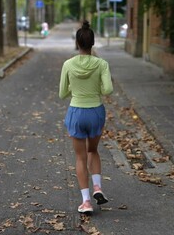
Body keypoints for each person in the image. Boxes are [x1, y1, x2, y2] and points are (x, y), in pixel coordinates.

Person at [59, 20, 113, 213]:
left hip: (76, 111)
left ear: (77, 43)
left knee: (80, 157)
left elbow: (62, 93)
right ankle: (98, 187)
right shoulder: (101, 64)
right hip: (96, 111)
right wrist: (95, 88)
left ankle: (86, 201)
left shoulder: (68, 64)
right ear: (92, 43)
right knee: (93, 151)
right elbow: (108, 89)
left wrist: (75, 88)